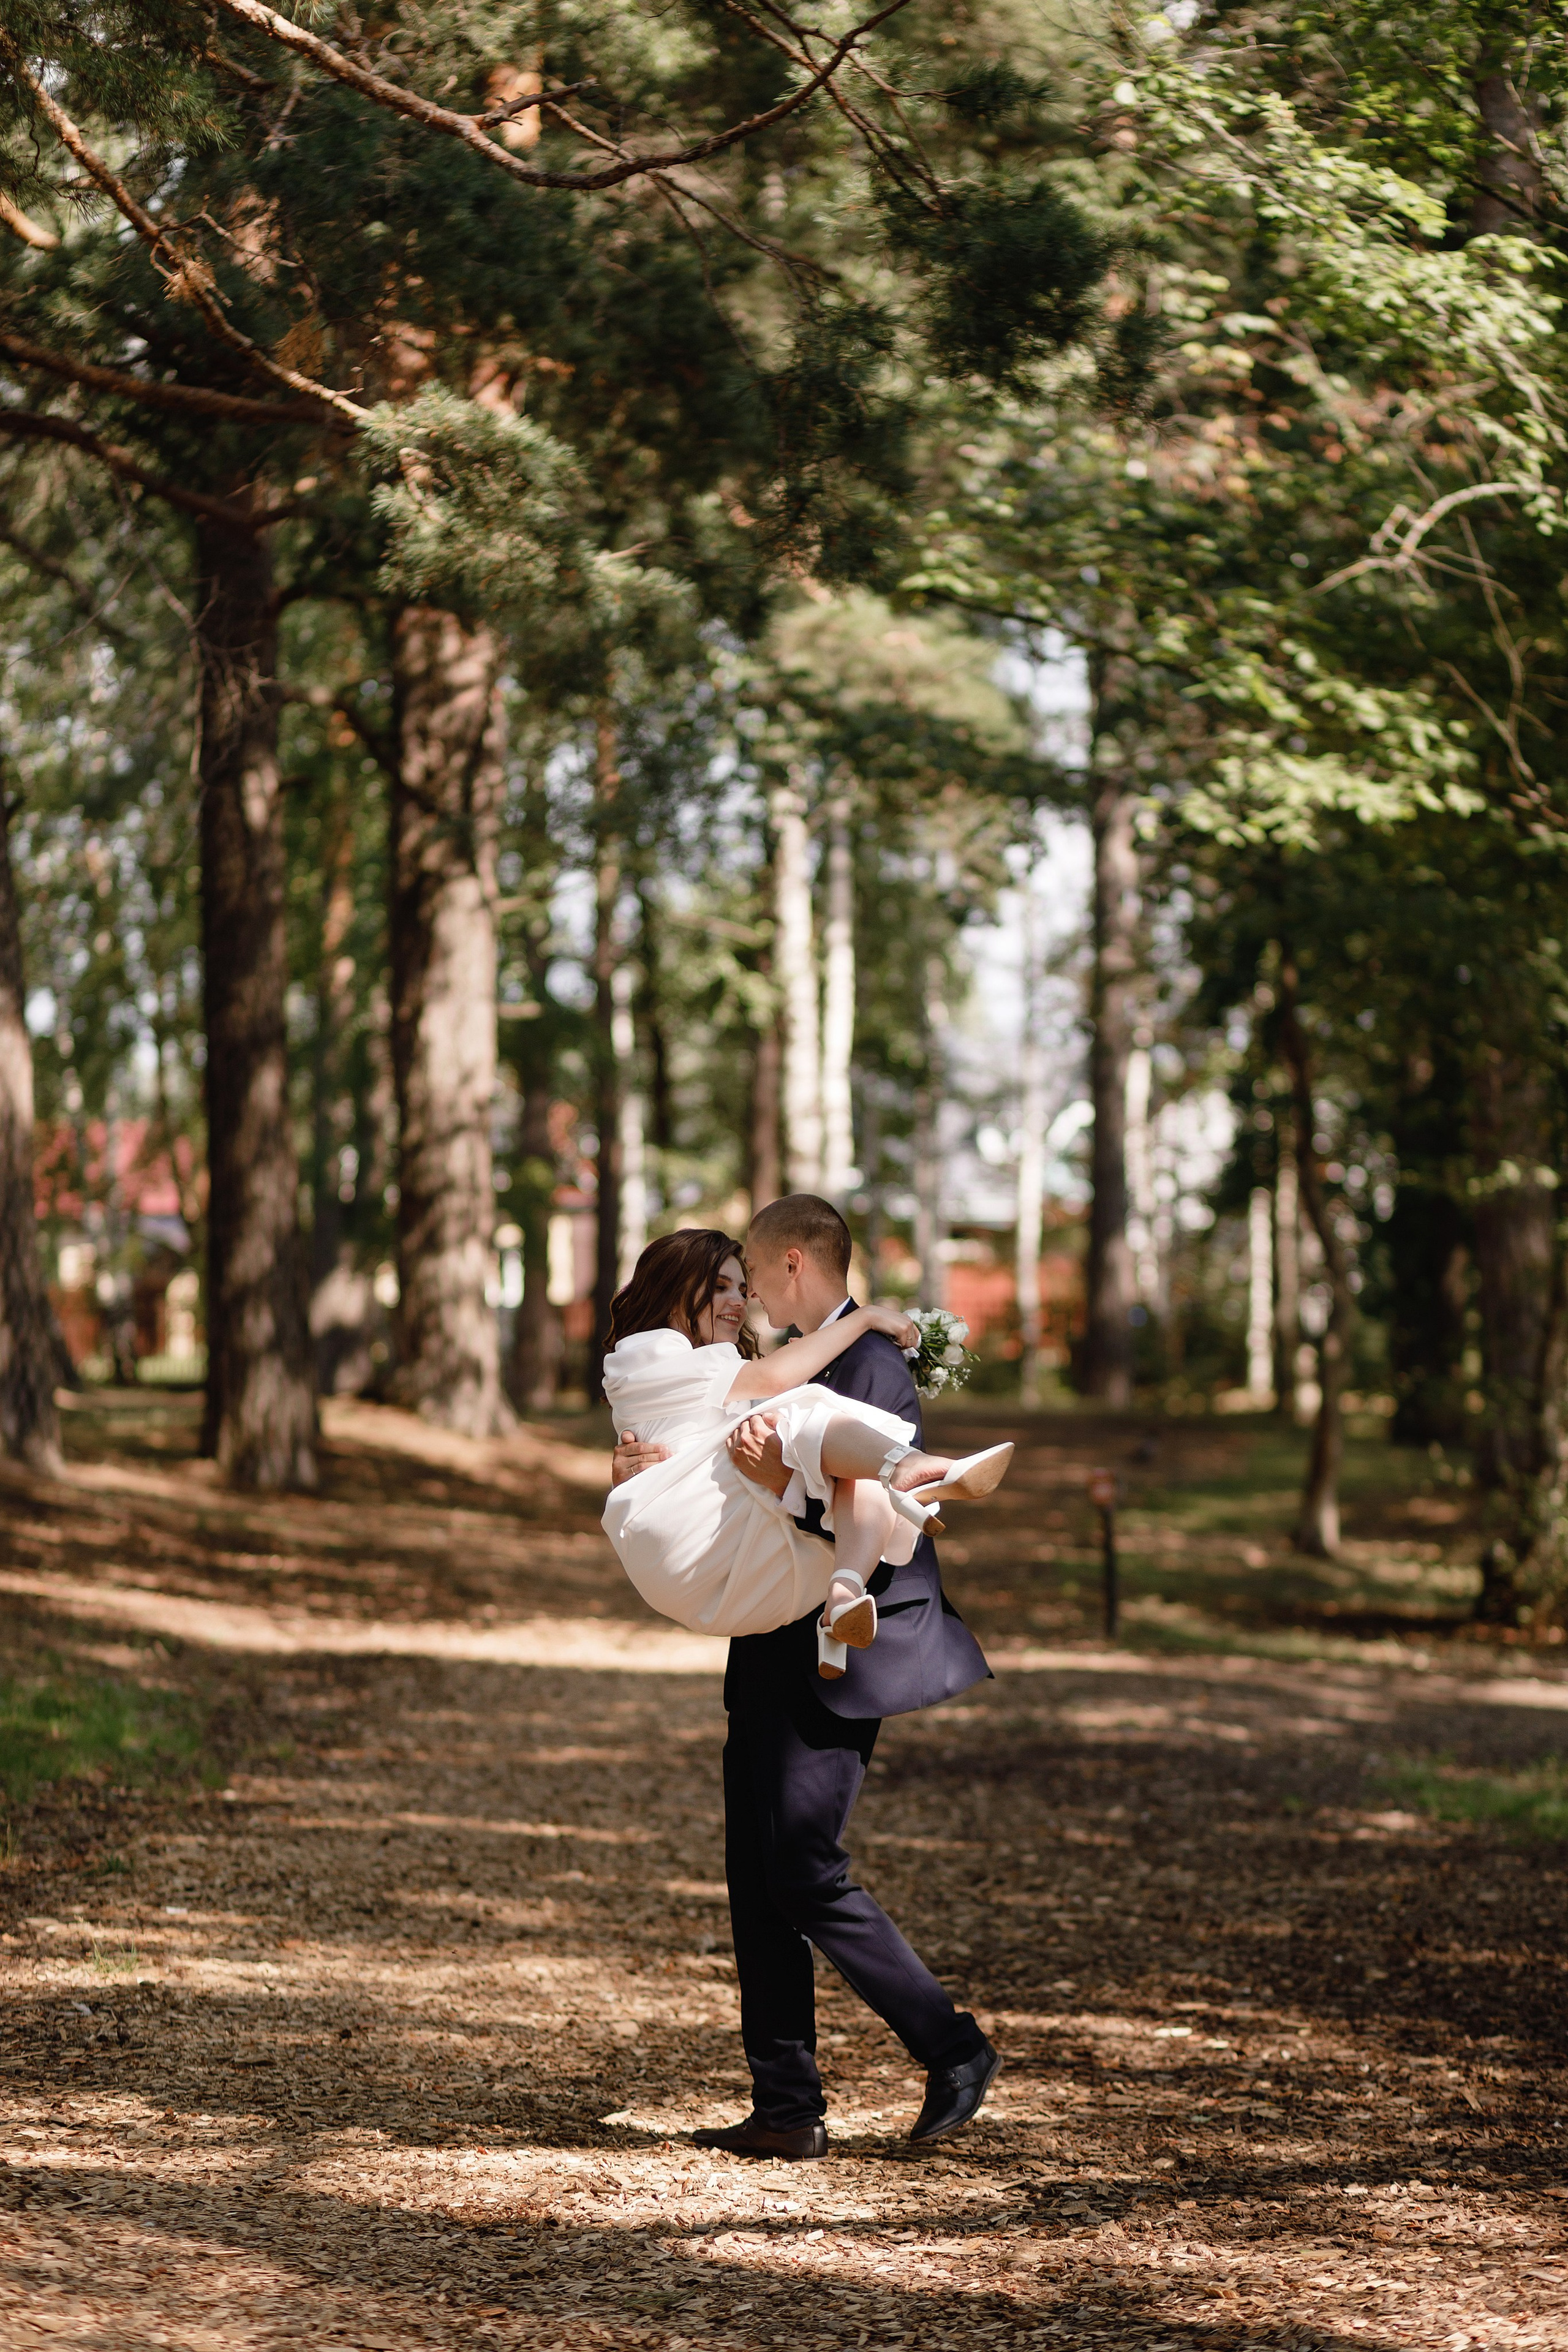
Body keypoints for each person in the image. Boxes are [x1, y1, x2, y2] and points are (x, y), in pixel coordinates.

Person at [610, 1193, 1001, 2160]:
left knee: (802, 1869)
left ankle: (953, 2048)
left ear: (791, 1263)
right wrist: (647, 1469)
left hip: (840, 1648)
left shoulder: (870, 1362)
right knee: (755, 1878)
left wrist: (777, 1483)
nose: (742, 1299)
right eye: (726, 1284)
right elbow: (712, 1453)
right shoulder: (773, 1360)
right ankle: (786, 2107)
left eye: (748, 1275)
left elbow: (871, 1512)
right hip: (768, 1642)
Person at [601, 1228, 1015, 1675]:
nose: (741, 1300)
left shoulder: (709, 1371)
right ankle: (909, 1469)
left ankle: (844, 1595)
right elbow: (773, 1380)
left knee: (841, 1457)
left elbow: (752, 1397)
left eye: (742, 1287)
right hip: (693, 1539)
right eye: (720, 1287)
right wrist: (864, 1318)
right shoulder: (650, 1349)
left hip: (739, 1577)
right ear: (672, 1293)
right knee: (806, 1415)